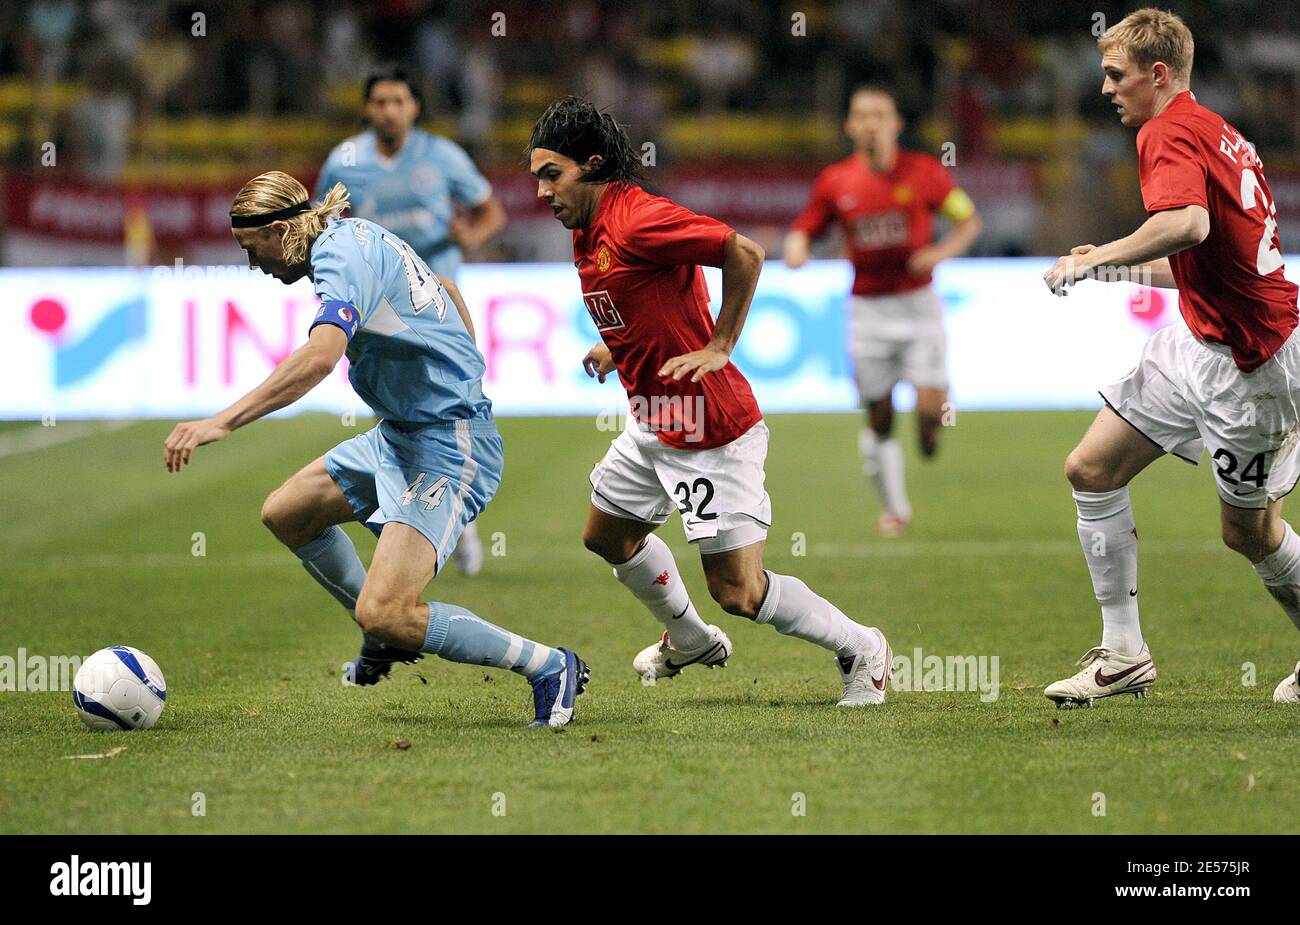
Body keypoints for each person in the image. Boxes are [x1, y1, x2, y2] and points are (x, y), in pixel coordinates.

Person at [162, 171, 587, 727]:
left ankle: (549, 665)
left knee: (387, 610)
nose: (253, 265)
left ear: (282, 229)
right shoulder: (355, 234)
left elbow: (318, 359)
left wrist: (222, 422)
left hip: (446, 446)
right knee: (287, 513)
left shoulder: (338, 260)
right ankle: (382, 636)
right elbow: (448, 288)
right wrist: (459, 371)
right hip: (399, 435)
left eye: (252, 249)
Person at [528, 96, 893, 706]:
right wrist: (616, 348)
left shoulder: (638, 219)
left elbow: (743, 252)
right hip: (654, 420)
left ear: (590, 165)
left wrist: (721, 344)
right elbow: (664, 293)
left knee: (739, 592)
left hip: (710, 428)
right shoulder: (589, 225)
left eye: (551, 175)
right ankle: (689, 638)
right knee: (607, 537)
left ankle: (864, 648)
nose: (541, 192)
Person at [1042, 9, 1300, 707]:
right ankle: (1124, 652)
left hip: (1250, 362)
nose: (1105, 89)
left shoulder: (1167, 130)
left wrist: (1109, 252)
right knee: (1090, 468)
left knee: (1248, 533)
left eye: (1116, 74)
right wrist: (1104, 265)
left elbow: (1187, 223)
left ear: (1158, 75)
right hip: (1197, 336)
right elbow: (1202, 254)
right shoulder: (1218, 131)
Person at [316, 64, 507, 576]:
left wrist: (472, 236)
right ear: (366, 109)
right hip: (379, 309)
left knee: (449, 408)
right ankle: (422, 521)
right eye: (379, 102)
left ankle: (451, 519)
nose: (388, 111)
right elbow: (322, 226)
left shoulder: (442, 156)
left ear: (414, 107)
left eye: (398, 101)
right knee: (398, 411)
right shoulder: (344, 160)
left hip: (438, 305)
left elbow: (492, 211)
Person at [785, 85, 981, 537]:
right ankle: (895, 509)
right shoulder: (836, 181)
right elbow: (806, 227)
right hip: (867, 311)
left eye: (880, 115)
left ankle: (929, 429)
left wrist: (940, 252)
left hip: (918, 307)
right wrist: (796, 248)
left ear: (896, 124)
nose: (871, 123)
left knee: (931, 410)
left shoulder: (926, 173)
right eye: (862, 116)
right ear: (850, 126)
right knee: (878, 416)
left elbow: (967, 219)